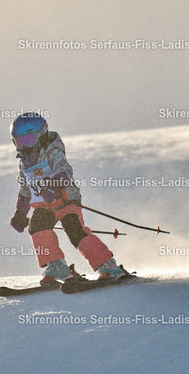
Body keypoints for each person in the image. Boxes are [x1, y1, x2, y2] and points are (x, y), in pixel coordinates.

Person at [9, 112, 125, 286]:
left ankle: (107, 265)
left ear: (41, 135)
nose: (24, 147)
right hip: (44, 205)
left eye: (29, 140)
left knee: (74, 229)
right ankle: (56, 266)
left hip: (66, 201)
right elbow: (25, 190)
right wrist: (20, 214)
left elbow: (65, 171)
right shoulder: (24, 163)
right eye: (19, 141)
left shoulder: (53, 151)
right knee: (37, 226)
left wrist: (52, 187)